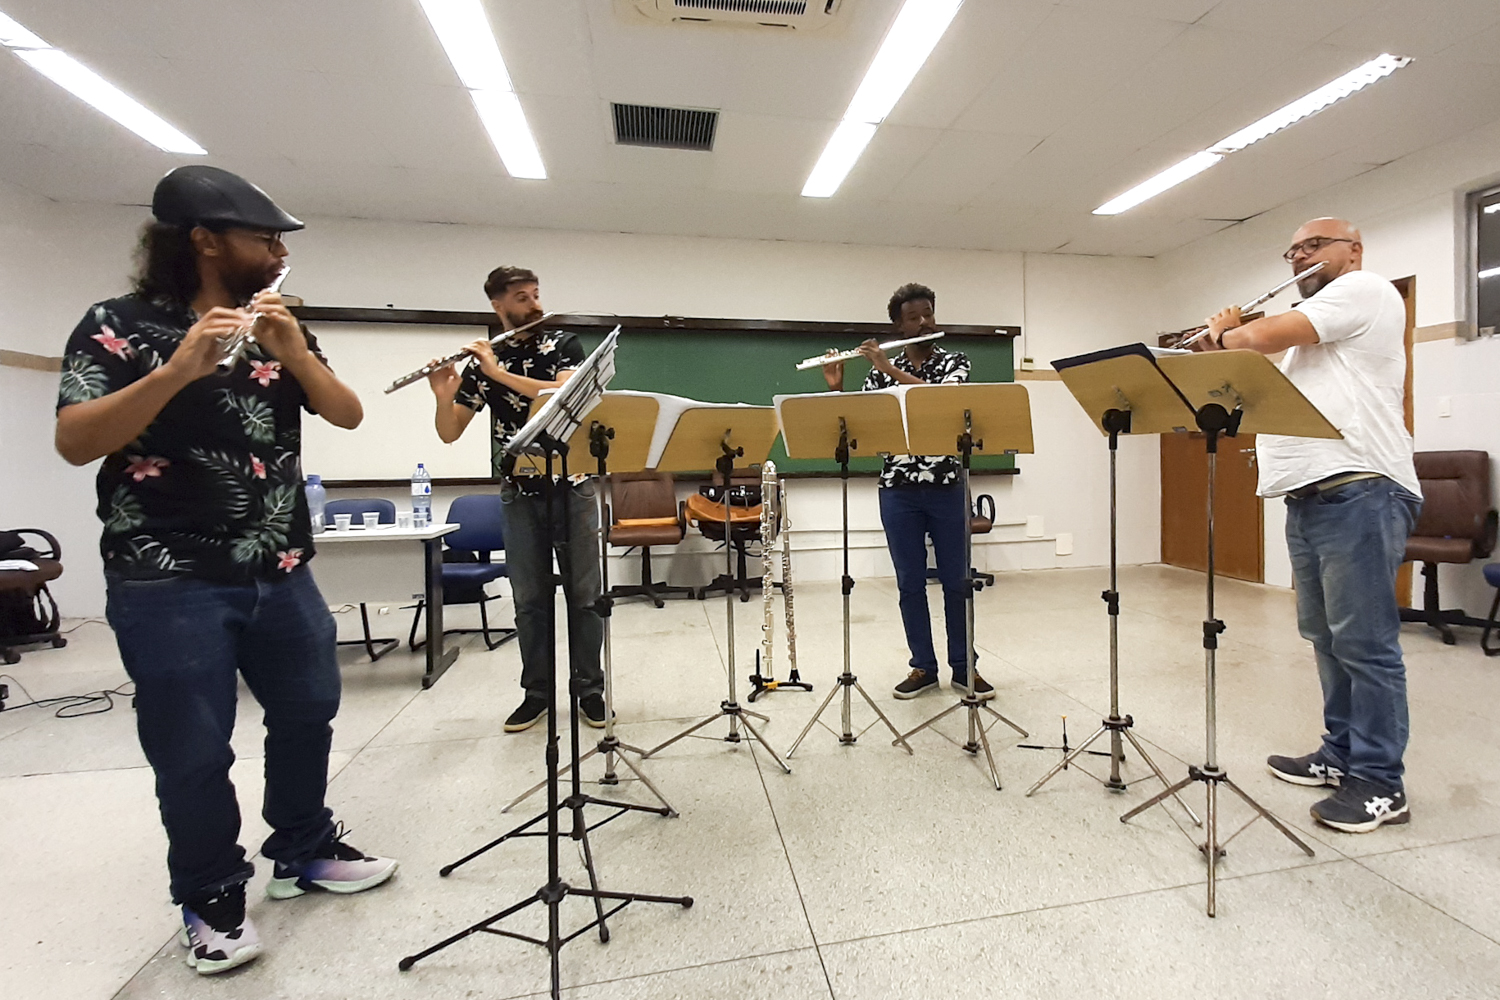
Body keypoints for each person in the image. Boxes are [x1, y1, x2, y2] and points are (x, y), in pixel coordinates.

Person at [54, 166, 397, 975]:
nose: (278, 253)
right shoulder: (118, 325)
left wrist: (293, 351)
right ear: (203, 240)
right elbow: (75, 440)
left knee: (310, 709)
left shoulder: (279, 325)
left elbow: (345, 411)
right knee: (194, 748)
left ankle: (303, 850)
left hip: (281, 565)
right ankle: (210, 896)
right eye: (263, 238)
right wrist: (176, 370)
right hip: (166, 576)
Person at [1198, 217, 1421, 833]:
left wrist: (1229, 331)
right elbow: (1249, 367)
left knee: (1365, 644)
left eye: (1314, 245)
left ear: (1353, 250)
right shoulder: (1308, 345)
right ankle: (1341, 753)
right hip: (1311, 497)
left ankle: (1381, 782)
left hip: (1362, 489)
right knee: (1326, 638)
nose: (1301, 256)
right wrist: (1221, 347)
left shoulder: (1364, 289)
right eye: (1293, 250)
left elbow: (1253, 339)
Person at [424, 266, 606, 733]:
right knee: (529, 598)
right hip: (519, 490)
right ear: (498, 306)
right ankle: (536, 693)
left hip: (573, 482)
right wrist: (444, 395)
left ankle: (590, 690)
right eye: (522, 298)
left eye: (536, 294)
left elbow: (558, 396)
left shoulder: (562, 344)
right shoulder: (485, 363)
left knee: (585, 595)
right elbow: (449, 433)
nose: (534, 305)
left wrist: (497, 373)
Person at [822, 282, 993, 701]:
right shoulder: (878, 372)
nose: (924, 322)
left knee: (957, 580)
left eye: (929, 314)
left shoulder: (955, 360)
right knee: (910, 583)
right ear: (898, 325)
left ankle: (963, 667)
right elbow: (858, 425)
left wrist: (888, 367)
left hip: (947, 486)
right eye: (914, 317)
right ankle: (923, 667)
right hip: (898, 488)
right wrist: (835, 389)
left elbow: (936, 400)